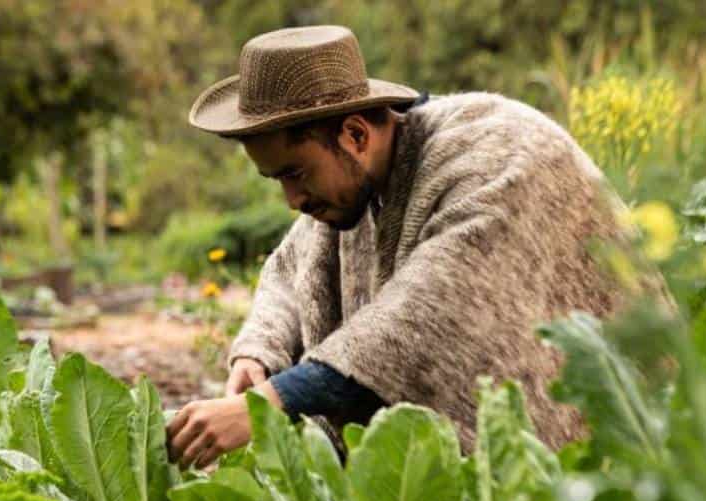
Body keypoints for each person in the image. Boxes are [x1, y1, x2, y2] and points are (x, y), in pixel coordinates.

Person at [165, 25, 652, 469]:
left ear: (354, 134)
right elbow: (290, 275)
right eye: (276, 180)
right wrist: (258, 357)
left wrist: (269, 402)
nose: (291, 200)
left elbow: (427, 319)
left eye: (295, 174)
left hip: (620, 450)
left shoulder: (499, 155)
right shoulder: (349, 184)